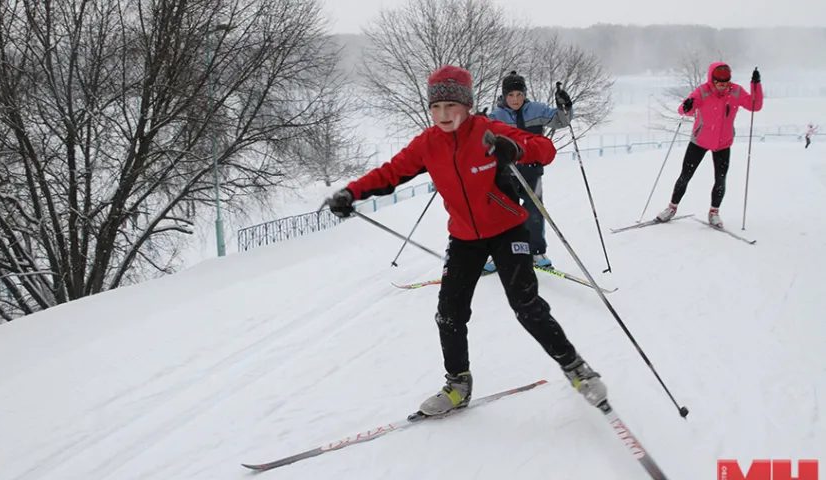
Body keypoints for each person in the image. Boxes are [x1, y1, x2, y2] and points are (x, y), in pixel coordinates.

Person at [324, 65, 606, 416]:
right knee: (449, 314)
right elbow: (390, 173)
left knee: (526, 306)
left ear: (467, 106)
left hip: (508, 230)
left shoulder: (488, 131)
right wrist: (352, 192)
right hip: (464, 239)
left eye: (451, 107)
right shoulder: (427, 144)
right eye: (436, 107)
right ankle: (458, 384)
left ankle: (577, 369)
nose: (443, 115)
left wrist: (514, 150)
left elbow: (544, 149)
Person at [655, 63, 763, 228]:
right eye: (719, 82)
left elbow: (755, 105)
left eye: (725, 82)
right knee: (685, 176)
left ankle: (714, 213)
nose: (722, 86)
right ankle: (671, 208)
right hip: (699, 141)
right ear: (712, 79)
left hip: (723, 143)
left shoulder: (736, 91)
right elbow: (684, 110)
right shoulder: (703, 91)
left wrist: (756, 85)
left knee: (720, 180)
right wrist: (687, 106)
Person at [485, 71, 573, 270]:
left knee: (534, 210)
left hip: (532, 168)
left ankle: (535, 251)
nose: (515, 99)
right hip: (505, 171)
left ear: (524, 94)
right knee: (503, 211)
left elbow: (562, 121)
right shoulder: (496, 116)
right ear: (504, 96)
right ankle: (499, 252)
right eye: (511, 95)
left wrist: (565, 106)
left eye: (519, 94)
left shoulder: (537, 109)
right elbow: (483, 135)